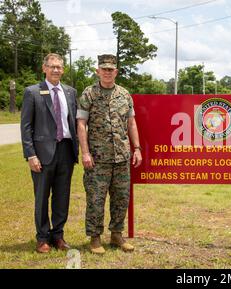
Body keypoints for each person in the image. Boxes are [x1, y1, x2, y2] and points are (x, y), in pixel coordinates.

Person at [76, 54, 142, 254]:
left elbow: (131, 123)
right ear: (98, 71)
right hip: (97, 158)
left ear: (116, 72)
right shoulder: (89, 94)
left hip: (121, 157)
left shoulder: (124, 94)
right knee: (96, 199)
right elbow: (81, 124)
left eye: (110, 69)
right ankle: (95, 238)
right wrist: (85, 153)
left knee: (121, 198)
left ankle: (116, 235)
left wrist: (137, 148)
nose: (107, 72)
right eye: (103, 69)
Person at [21, 53, 78, 253]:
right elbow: (26, 127)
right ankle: (42, 238)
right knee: (42, 197)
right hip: (42, 154)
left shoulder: (71, 92)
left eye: (59, 67)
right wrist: (31, 155)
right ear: (44, 68)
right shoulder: (32, 92)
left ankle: (58, 236)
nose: (56, 70)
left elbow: (73, 122)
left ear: (63, 70)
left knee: (62, 197)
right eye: (52, 66)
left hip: (66, 151)